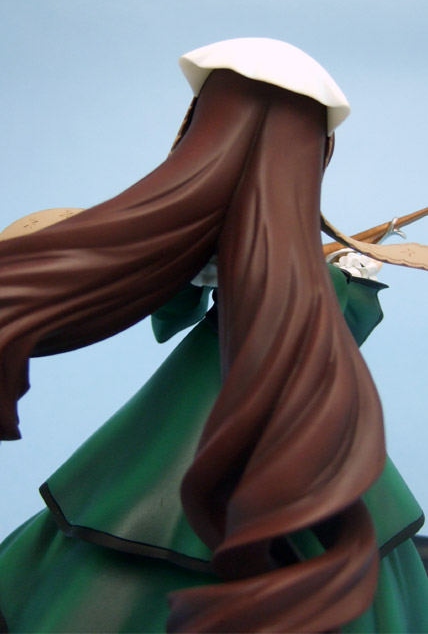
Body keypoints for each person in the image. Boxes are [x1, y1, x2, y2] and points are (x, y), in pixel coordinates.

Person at [0, 38, 427, 633]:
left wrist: (342, 277)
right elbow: (173, 314)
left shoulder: (305, 277)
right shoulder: (261, 266)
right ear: (315, 157)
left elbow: (326, 335)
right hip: (206, 422)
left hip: (254, 416)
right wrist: (344, 282)